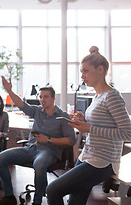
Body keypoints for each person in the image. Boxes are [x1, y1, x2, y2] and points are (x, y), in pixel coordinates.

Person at [46, 46, 131, 205]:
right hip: (88, 156)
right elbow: (102, 125)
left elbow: (128, 133)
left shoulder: (112, 96)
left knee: (52, 190)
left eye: (85, 71)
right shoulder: (97, 96)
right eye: (81, 72)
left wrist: (89, 128)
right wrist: (84, 121)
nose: (82, 76)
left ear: (100, 69)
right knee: (75, 202)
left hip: (103, 162)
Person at [0, 77, 76, 205]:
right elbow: (21, 104)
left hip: (49, 151)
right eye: (40, 97)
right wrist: (9, 91)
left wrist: (48, 140)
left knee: (39, 164)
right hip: (31, 148)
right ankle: (9, 197)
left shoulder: (62, 116)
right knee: (0, 158)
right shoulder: (37, 111)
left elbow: (71, 140)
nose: (42, 100)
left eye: (45, 97)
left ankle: (37, 201)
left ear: (53, 98)